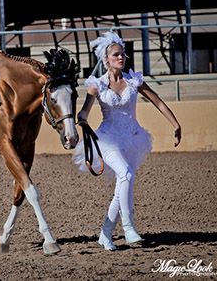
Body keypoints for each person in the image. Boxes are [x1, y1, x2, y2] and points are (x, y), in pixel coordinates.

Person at [73, 31, 181, 251]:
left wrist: (176, 124)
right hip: (108, 138)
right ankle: (129, 228)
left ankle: (105, 234)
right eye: (116, 55)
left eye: (123, 54)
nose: (121, 58)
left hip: (133, 138)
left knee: (123, 184)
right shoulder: (98, 84)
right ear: (106, 60)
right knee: (126, 175)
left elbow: (158, 102)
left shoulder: (134, 81)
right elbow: (84, 110)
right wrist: (82, 118)